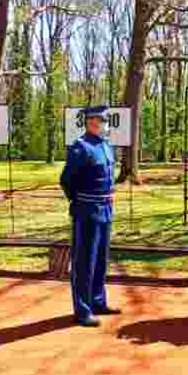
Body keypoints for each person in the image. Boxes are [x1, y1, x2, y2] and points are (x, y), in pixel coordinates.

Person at [60, 105, 120, 327]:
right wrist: (80, 200)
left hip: (105, 209)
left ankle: (97, 302)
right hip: (86, 211)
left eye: (102, 121)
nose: (99, 124)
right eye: (94, 120)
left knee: (100, 260)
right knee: (84, 261)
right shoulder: (80, 147)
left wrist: (109, 194)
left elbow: (107, 176)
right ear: (87, 122)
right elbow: (66, 180)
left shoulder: (106, 145)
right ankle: (83, 310)